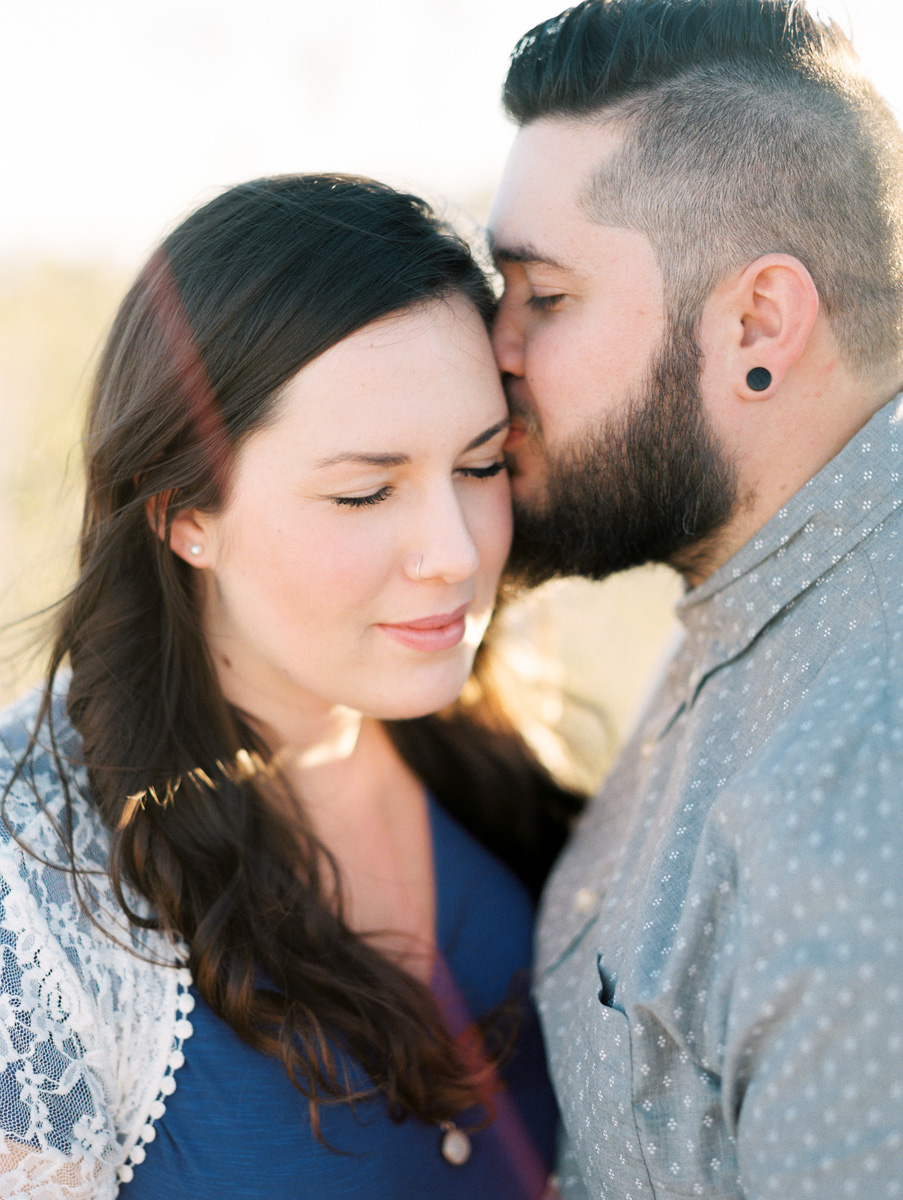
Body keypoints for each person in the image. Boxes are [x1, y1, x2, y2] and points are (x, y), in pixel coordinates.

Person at [0, 174, 582, 1199]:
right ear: (186, 512)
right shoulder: (34, 874)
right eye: (365, 491)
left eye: (481, 466)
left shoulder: (493, 749)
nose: (455, 554)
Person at [488, 1, 903, 1196]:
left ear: (756, 325)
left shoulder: (863, 783)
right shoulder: (757, 587)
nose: (491, 347)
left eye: (543, 297)